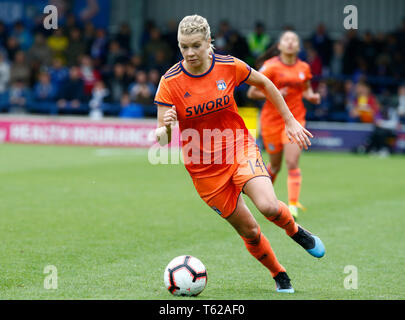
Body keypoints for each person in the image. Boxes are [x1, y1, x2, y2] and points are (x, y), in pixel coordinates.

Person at [154, 15, 325, 293]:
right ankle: (279, 273)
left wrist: (290, 120)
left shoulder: (228, 65)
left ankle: (296, 231)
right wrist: (167, 128)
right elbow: (162, 138)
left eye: (196, 45)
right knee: (250, 231)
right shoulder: (169, 82)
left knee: (268, 206)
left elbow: (266, 84)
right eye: (183, 46)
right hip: (204, 171)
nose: (189, 53)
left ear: (210, 42)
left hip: (237, 148)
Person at [247, 30, 321, 219]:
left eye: (294, 40)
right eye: (286, 40)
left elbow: (306, 90)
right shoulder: (270, 67)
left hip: (295, 121)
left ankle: (293, 206)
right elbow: (252, 93)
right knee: (275, 166)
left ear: (298, 46)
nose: (290, 43)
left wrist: (311, 96)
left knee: (292, 162)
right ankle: (265, 199)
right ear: (279, 46)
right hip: (272, 122)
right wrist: (275, 92)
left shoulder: (304, 68)